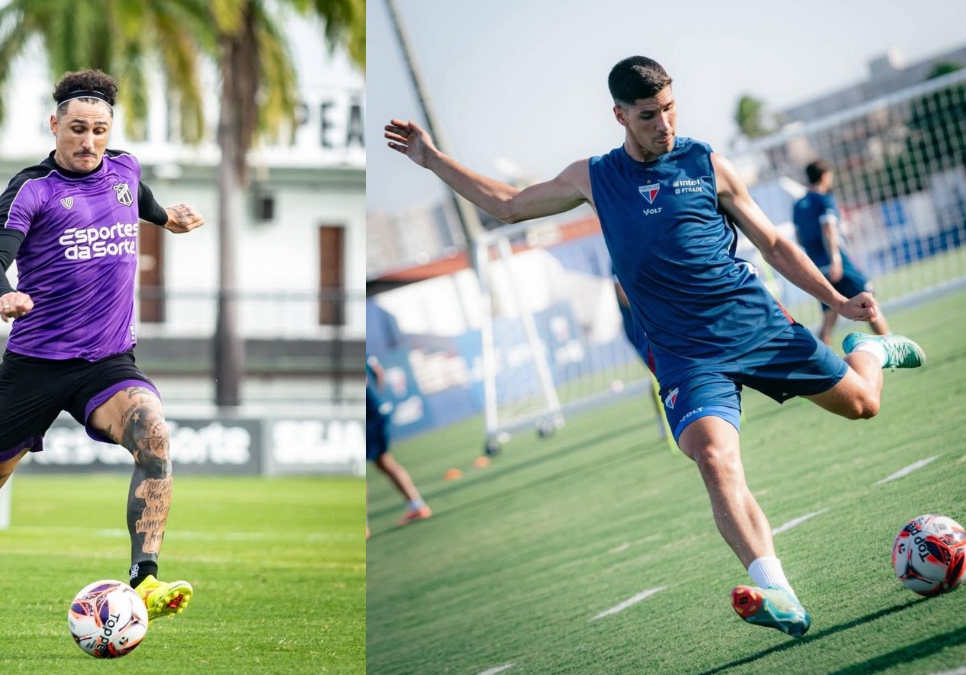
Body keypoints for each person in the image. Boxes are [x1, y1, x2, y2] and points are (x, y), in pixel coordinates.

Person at [385, 56, 925, 638]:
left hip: (756, 326)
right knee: (714, 459)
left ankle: (873, 351)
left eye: (670, 108)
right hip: (686, 355)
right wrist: (431, 158)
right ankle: (779, 590)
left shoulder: (706, 162)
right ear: (619, 115)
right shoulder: (593, 177)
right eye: (648, 115)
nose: (664, 123)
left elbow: (769, 241)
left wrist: (837, 302)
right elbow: (509, 204)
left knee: (863, 403)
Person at [0, 70, 204, 627]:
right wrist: (3, 294)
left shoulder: (125, 170)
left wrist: (169, 218)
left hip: (106, 364)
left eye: (99, 130)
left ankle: (145, 579)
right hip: (33, 366)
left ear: (111, 131)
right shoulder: (31, 189)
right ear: (54, 125)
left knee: (154, 436)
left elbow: (143, 203)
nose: (88, 141)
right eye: (77, 128)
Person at [793, 159, 890, 344]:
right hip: (838, 264)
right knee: (868, 300)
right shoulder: (824, 199)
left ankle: (820, 360)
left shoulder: (798, 205)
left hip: (818, 267)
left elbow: (799, 237)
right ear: (824, 176)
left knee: (830, 313)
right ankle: (891, 346)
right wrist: (835, 259)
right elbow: (829, 229)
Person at [367, 355, 431, 539]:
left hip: (369, 416)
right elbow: (377, 370)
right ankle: (417, 506)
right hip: (375, 412)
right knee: (384, 463)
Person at [612, 271, 671, 444]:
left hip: (659, 321)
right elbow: (622, 293)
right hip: (640, 328)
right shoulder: (618, 253)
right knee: (659, 373)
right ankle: (664, 421)